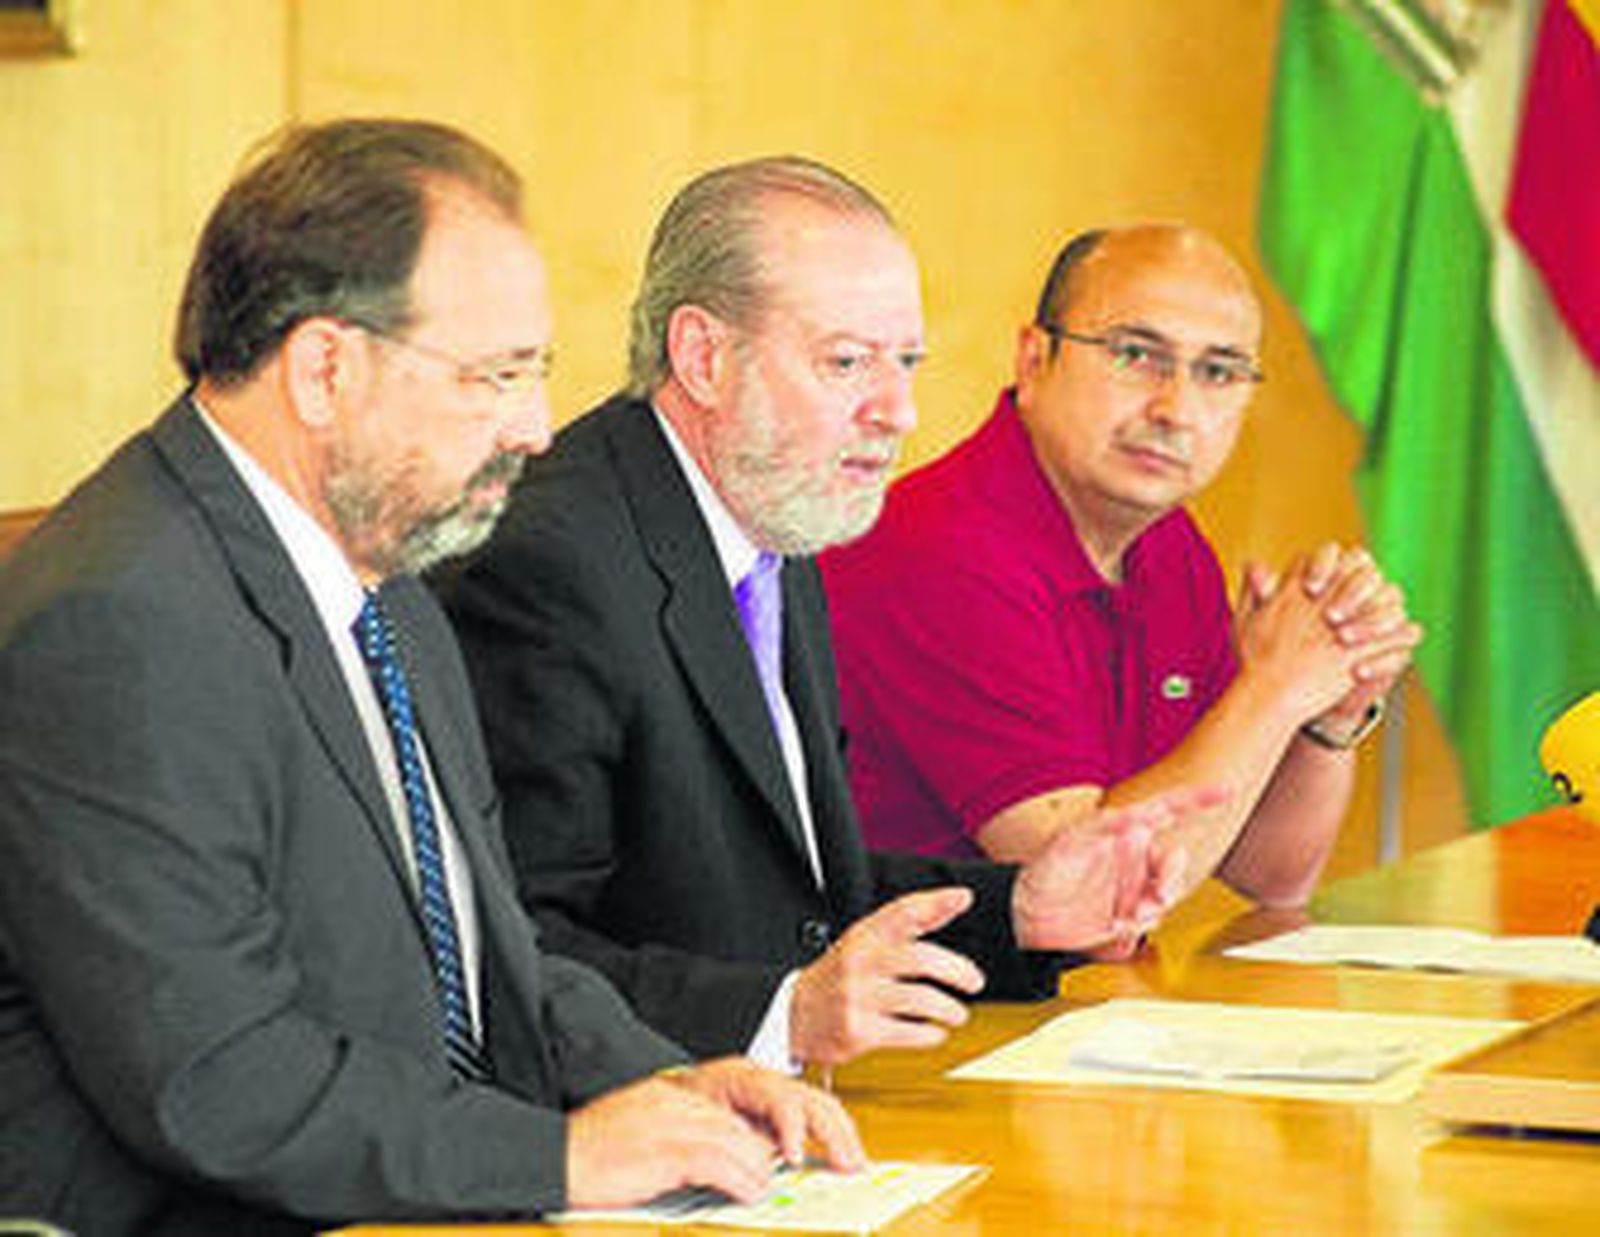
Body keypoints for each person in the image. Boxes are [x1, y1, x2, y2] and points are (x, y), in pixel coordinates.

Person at [0, 120, 859, 1237]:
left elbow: (490, 947)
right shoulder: (118, 623)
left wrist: (670, 1085)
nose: (537, 428)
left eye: (537, 373)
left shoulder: (389, 576)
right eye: (494, 376)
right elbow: (217, 1076)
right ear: (324, 369)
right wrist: (558, 1153)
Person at [439, 158, 1212, 1070]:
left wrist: (1023, 911)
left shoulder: (775, 517)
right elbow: (507, 954)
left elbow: (797, 887)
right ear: (703, 357)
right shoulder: (549, 564)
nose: (898, 411)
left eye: (907, 363)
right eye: (846, 362)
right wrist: (781, 1016)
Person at [821, 225, 1422, 927]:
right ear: (1034, 358)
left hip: (1069, 1005)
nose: (1175, 408)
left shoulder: (1169, 546)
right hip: (911, 1017)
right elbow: (1091, 898)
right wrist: (1277, 686)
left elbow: (1271, 873)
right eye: (1137, 355)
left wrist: (1327, 714)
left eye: (1219, 372)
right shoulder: (938, 548)